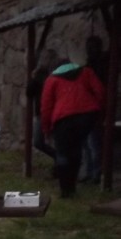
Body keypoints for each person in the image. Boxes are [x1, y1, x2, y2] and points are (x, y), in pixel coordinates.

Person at [41, 59, 105, 197]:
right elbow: (99, 91)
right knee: (77, 150)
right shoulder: (86, 72)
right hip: (87, 116)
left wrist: (46, 129)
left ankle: (66, 189)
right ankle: (74, 186)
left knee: (63, 153)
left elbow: (46, 106)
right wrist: (97, 110)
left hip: (64, 119)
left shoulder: (52, 80)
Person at [80, 36, 110, 183]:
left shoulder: (102, 65)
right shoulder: (89, 67)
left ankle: (96, 173)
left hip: (94, 108)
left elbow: (100, 91)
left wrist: (97, 106)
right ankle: (90, 172)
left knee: (93, 143)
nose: (89, 50)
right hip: (87, 109)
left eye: (92, 47)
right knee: (87, 143)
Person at [26, 48, 60, 162]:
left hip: (56, 112)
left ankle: (60, 165)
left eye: (47, 58)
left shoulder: (57, 73)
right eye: (43, 58)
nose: (44, 61)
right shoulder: (39, 74)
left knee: (56, 141)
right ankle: (57, 158)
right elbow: (29, 92)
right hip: (41, 112)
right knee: (37, 142)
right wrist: (34, 78)